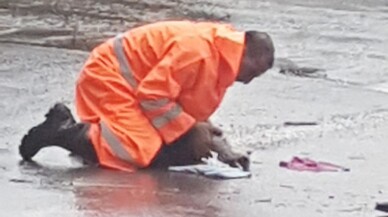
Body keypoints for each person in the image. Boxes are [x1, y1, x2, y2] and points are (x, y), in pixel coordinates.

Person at [19, 20, 274, 172]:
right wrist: (191, 130)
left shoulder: (221, 57)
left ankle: (93, 141)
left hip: (133, 87)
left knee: (186, 149)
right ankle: (63, 130)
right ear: (243, 55)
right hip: (108, 78)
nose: (249, 80)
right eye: (252, 71)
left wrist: (222, 149)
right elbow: (154, 97)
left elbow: (191, 113)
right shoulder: (199, 53)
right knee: (137, 151)